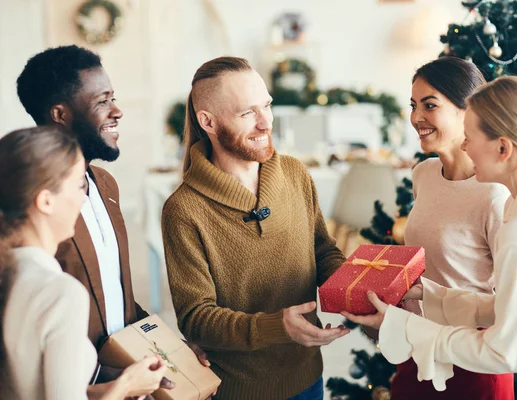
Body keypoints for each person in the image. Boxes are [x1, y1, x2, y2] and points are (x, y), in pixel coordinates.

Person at [344, 76, 517, 400]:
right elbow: (514, 305)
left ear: (503, 148)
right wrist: (430, 294)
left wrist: (404, 326)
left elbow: (504, 353)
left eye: (471, 136)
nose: (464, 146)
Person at [15, 45, 208, 384]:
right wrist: (111, 381)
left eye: (113, 98)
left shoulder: (105, 185)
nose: (117, 111)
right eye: (102, 100)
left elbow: (116, 296)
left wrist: (169, 350)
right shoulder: (32, 205)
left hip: (128, 375)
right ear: (61, 115)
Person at [161, 56, 350, 399]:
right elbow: (195, 318)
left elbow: (322, 250)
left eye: (267, 106)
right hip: (238, 390)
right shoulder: (183, 209)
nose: (266, 123)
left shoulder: (295, 174)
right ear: (209, 122)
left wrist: (355, 288)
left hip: (308, 376)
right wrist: (278, 326)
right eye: (247, 113)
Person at [379, 57, 512, 399]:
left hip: (474, 353)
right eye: (413, 105)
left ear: (467, 111)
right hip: (419, 343)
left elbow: (510, 298)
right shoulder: (423, 174)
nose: (416, 117)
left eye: (430, 105)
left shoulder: (494, 193)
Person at [0, 126, 166, 400]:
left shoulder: (13, 273)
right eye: (79, 184)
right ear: (46, 201)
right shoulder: (61, 292)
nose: (85, 197)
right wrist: (126, 385)